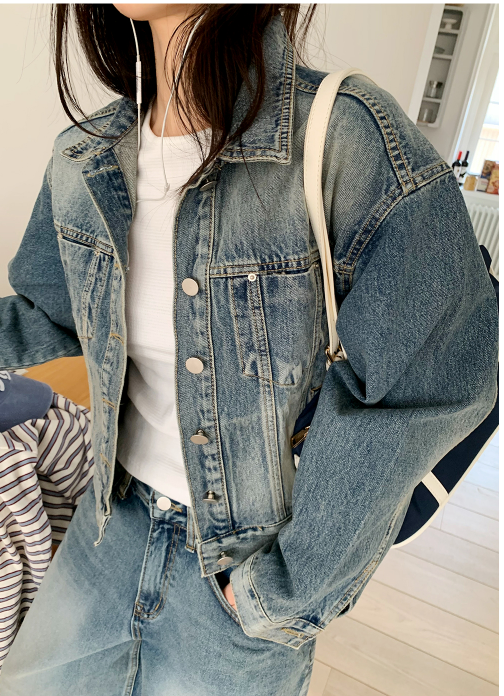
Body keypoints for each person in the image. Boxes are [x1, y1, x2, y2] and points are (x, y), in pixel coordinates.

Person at [0, 4, 498, 695]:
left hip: (243, 571)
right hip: (107, 524)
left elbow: (432, 377)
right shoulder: (84, 157)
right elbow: (48, 310)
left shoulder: (345, 137)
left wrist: (288, 589)